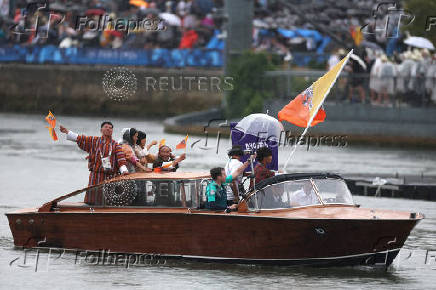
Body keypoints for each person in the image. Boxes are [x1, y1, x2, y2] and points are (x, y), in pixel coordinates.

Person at [59, 122, 128, 205]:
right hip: (95, 176)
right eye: (106, 127)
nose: (108, 129)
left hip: (110, 177)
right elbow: (81, 138)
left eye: (110, 128)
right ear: (101, 130)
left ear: (112, 131)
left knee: (108, 200)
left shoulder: (116, 145)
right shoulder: (94, 141)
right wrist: (67, 132)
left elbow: (121, 160)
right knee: (92, 199)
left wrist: (124, 171)